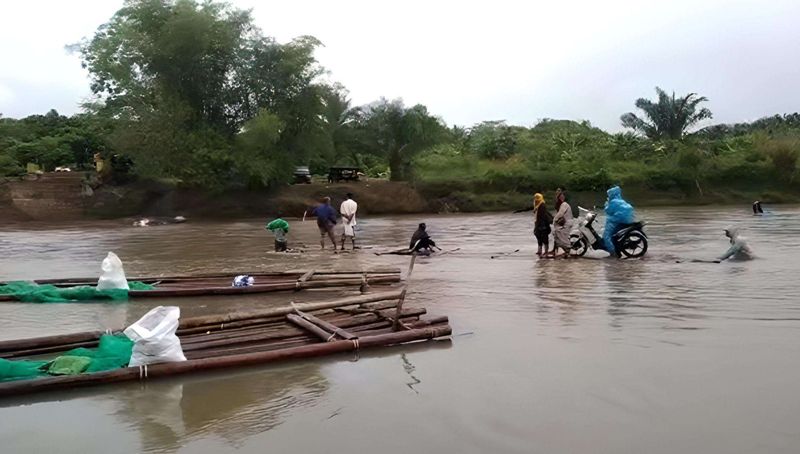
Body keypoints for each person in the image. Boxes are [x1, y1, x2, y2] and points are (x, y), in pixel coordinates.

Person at [603, 186, 635, 254]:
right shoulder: (621, 200)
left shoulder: (613, 202)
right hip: (628, 220)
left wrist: (606, 205)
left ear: (611, 195)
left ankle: (612, 252)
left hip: (618, 219)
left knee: (606, 236)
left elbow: (608, 211)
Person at [551, 191, 573, 257]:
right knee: (557, 235)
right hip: (565, 222)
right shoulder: (562, 204)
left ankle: (567, 251)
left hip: (566, 223)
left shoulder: (564, 204)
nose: (560, 198)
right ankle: (555, 250)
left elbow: (560, 213)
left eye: (561, 196)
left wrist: (554, 219)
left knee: (561, 236)